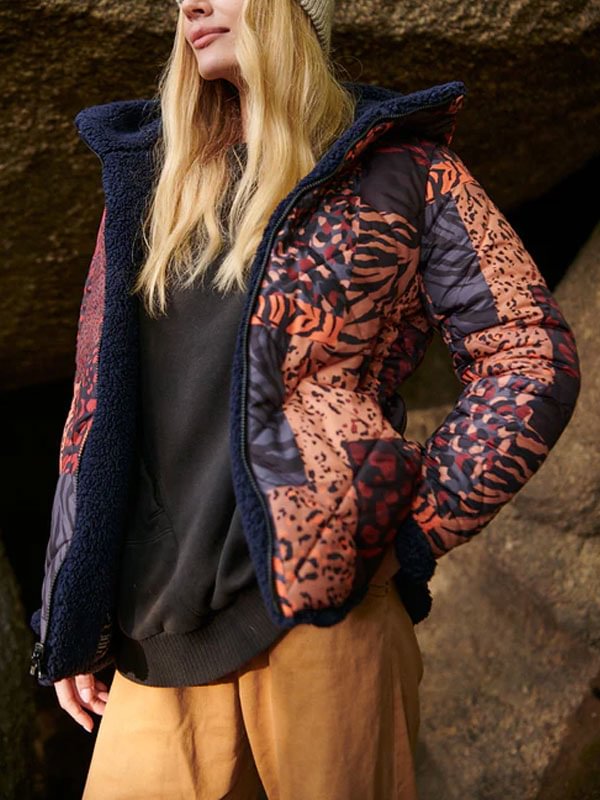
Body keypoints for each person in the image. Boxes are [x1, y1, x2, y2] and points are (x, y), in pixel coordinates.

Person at [29, 0, 581, 798]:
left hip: (323, 621)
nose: (191, 4)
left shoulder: (402, 172)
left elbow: (528, 352)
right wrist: (69, 602)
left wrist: (409, 531)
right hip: (154, 639)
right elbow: (94, 408)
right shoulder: (148, 180)